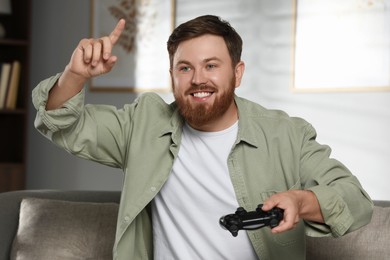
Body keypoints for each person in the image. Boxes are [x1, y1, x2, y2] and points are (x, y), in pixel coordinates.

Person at [33, 15, 373, 259]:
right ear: (172, 75)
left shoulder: (287, 134)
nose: (198, 79)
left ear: (237, 73)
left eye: (211, 65)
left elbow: (355, 201)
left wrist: (301, 202)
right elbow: (65, 124)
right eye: (185, 68)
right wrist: (75, 75)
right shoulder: (143, 124)